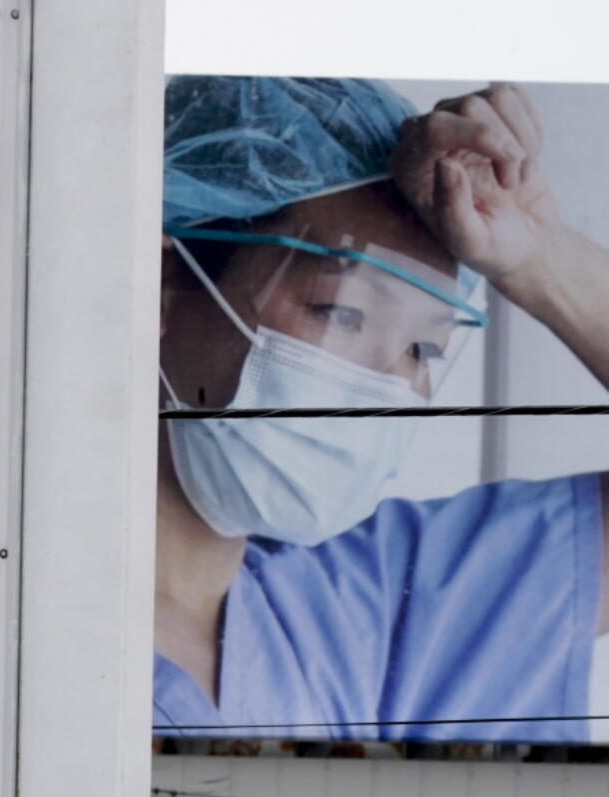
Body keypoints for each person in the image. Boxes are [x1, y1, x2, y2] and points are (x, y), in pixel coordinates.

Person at [156, 76, 609, 743]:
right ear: (163, 285)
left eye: (424, 349)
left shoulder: (378, 605)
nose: (384, 382)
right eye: (341, 312)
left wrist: (539, 256)